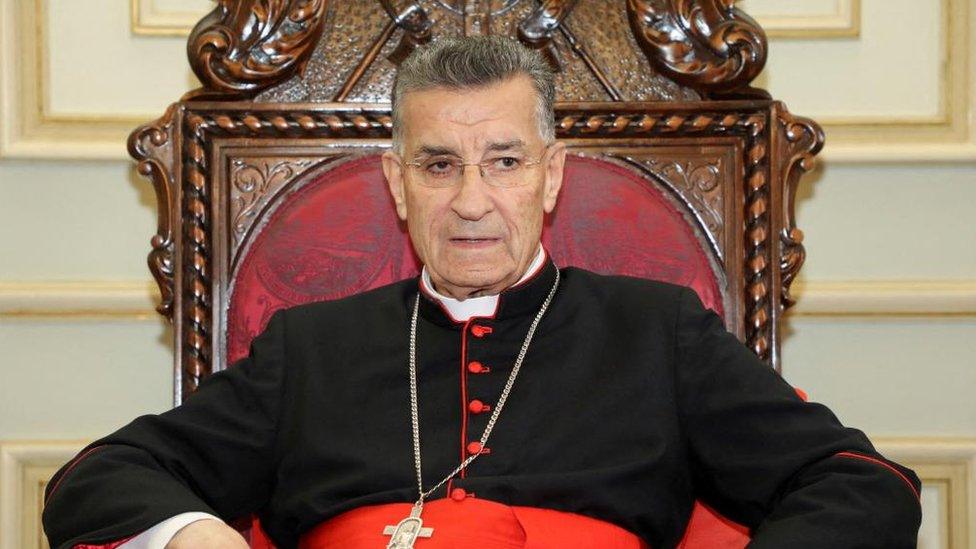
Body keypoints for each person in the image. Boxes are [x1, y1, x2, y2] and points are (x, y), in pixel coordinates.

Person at [43, 36, 922, 549]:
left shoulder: (657, 334)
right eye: (437, 165)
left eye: (503, 162)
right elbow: (96, 479)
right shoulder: (307, 349)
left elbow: (864, 483)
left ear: (551, 175)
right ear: (395, 183)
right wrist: (195, 538)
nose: (471, 200)